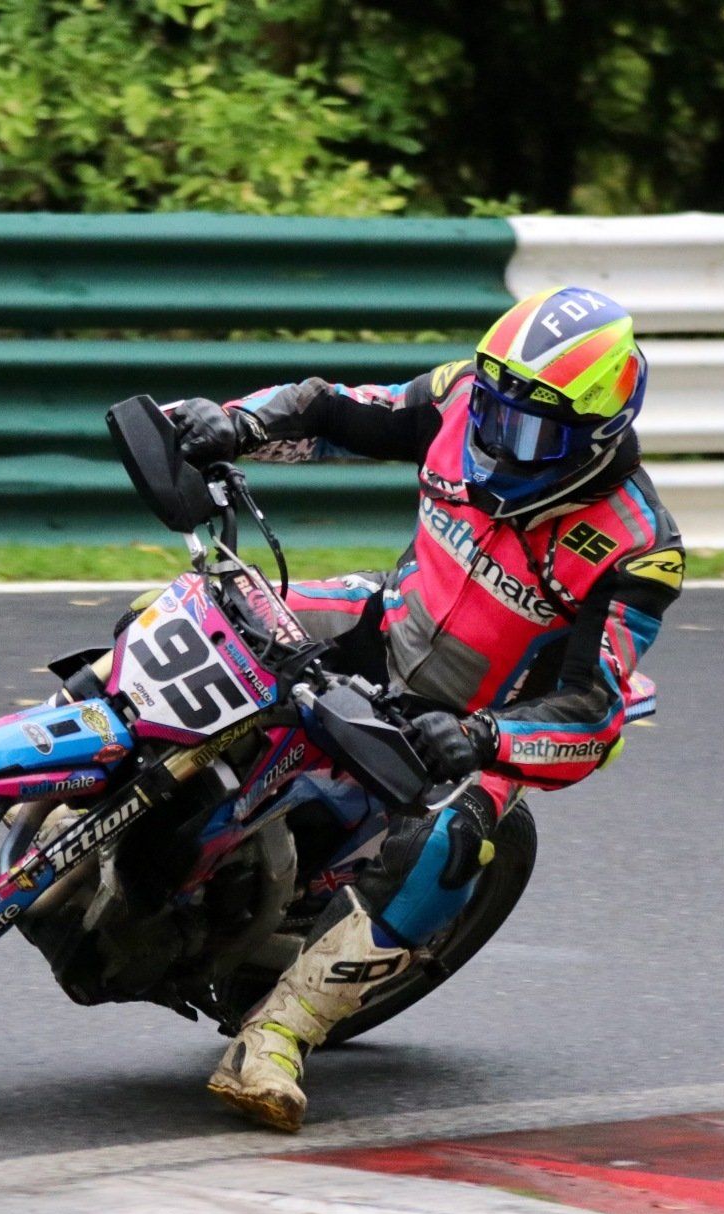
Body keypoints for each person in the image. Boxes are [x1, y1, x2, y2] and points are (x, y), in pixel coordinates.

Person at [173, 285, 684, 1132]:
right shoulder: (462, 397)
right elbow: (335, 410)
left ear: (596, 432)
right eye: (494, 409)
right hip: (387, 619)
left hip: (480, 722)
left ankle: (279, 1035)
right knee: (217, 601)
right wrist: (235, 424)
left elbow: (593, 708)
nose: (496, 439)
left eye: (530, 428)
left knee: (454, 839)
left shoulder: (638, 546)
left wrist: (487, 735)